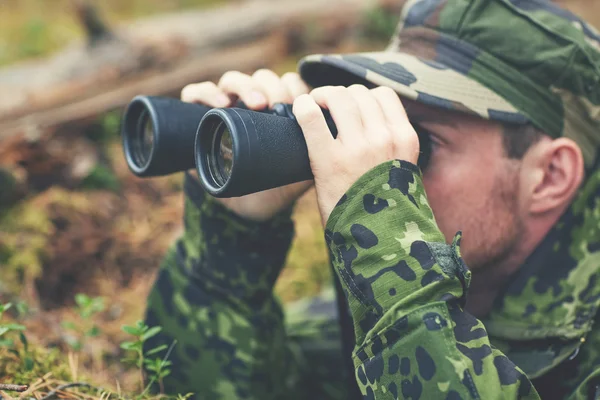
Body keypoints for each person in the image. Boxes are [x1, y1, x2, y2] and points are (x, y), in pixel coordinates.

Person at [142, 0, 600, 398]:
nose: (382, 163)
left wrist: (393, 266)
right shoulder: (401, 302)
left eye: (420, 142)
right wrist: (230, 245)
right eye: (382, 124)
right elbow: (192, 384)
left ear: (549, 177)